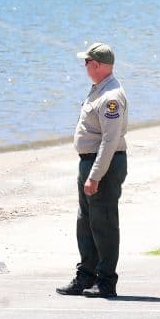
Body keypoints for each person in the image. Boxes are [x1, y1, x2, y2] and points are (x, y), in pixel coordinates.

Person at [56, 42, 128, 297]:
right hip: (88, 161)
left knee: (103, 223)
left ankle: (106, 281)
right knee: (85, 222)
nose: (85, 66)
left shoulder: (111, 97)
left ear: (96, 65)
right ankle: (85, 276)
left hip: (104, 164)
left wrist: (95, 175)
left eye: (87, 62)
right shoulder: (98, 89)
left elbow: (110, 141)